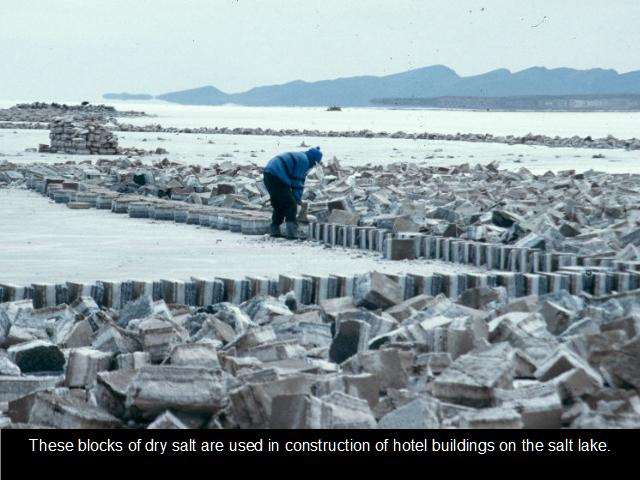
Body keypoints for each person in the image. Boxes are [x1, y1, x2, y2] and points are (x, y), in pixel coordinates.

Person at [263, 147, 323, 239]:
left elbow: (300, 180)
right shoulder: (304, 161)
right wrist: (297, 200)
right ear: (314, 160)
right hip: (277, 175)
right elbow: (297, 183)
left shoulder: (301, 157)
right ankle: (291, 233)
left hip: (268, 174)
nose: (313, 167)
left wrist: (297, 197)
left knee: (279, 203)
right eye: (315, 164)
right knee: (291, 204)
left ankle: (274, 230)